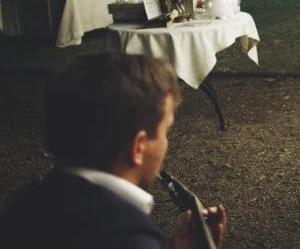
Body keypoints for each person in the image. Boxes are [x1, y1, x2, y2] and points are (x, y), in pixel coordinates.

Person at [0, 53, 227, 249]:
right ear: (138, 147)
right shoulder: (128, 238)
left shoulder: (27, 206)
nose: (166, 142)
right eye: (165, 131)